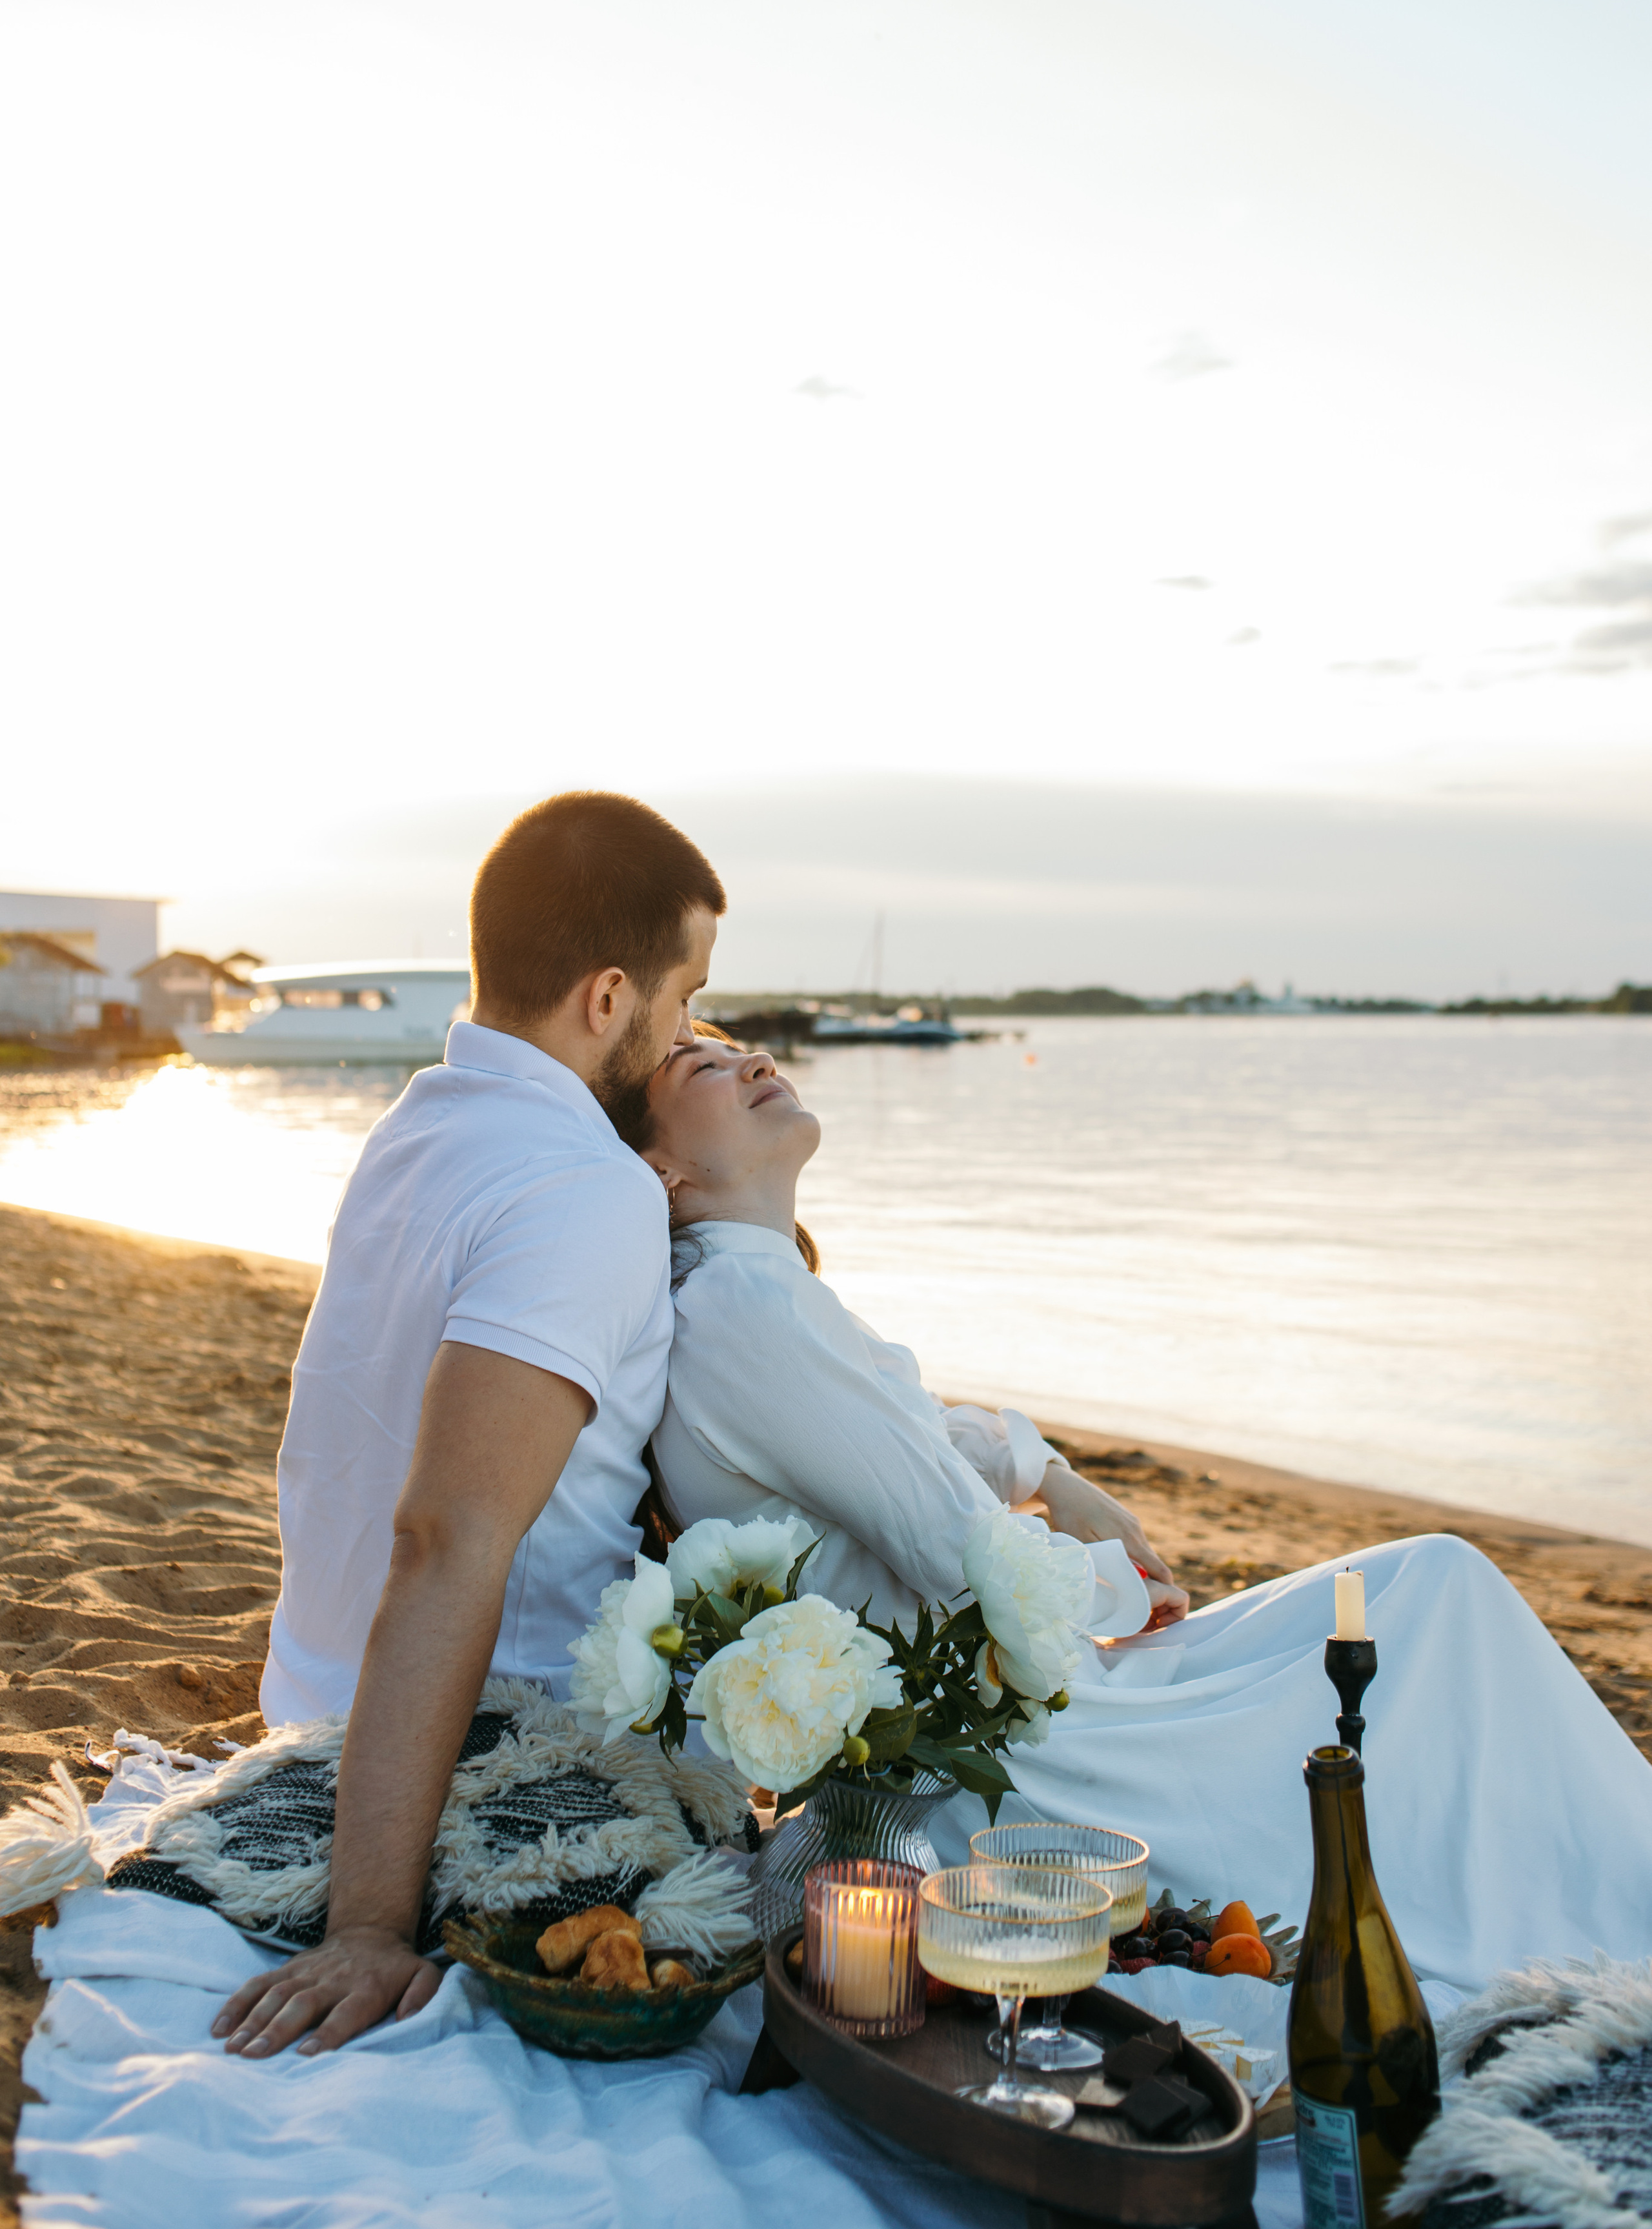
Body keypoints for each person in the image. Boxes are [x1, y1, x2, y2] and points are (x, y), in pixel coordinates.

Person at [636, 1031, 1652, 1992]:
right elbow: (958, 1548)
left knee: (1429, 1590)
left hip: (999, 1692)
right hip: (1019, 1747)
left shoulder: (760, 1297)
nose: (750, 1059)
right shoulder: (742, 1311)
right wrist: (1128, 1587)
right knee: (1439, 1600)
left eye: (735, 1047)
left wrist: (1059, 1480)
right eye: (700, 1066)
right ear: (664, 1172)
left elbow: (926, 1440)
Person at [211, 792, 723, 2061]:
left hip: (316, 1698)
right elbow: (448, 1540)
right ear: (606, 998)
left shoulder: (420, 1130)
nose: (689, 1030)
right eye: (682, 991)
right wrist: (371, 1925)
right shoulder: (578, 1189)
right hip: (490, 1755)